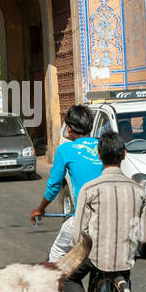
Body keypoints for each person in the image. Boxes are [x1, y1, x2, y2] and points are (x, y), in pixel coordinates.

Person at [30, 103, 102, 262]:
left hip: (83, 218)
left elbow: (54, 185)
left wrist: (40, 209)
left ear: (69, 128)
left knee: (55, 258)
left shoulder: (65, 150)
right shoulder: (104, 145)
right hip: (111, 214)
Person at [70, 130, 146, 273]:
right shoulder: (139, 190)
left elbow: (77, 236)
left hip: (96, 259)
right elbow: (142, 236)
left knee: (68, 280)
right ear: (124, 154)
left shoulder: (89, 189)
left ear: (99, 155)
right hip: (126, 259)